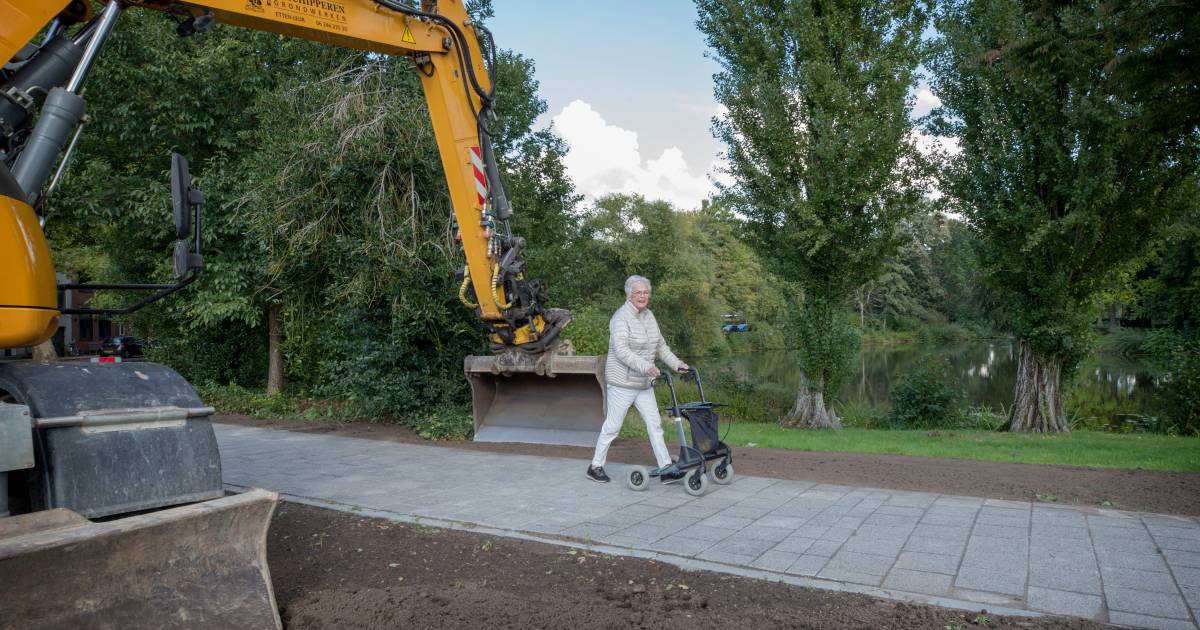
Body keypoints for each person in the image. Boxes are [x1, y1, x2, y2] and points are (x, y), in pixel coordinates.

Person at [586, 275, 689, 484]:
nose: (643, 296)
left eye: (645, 292)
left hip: (643, 383)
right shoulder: (620, 318)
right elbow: (621, 351)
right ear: (629, 295)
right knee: (613, 426)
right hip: (622, 384)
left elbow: (660, 346)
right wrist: (646, 366)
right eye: (638, 292)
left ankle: (665, 467)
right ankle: (595, 466)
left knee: (655, 424)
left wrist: (677, 363)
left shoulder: (649, 316)